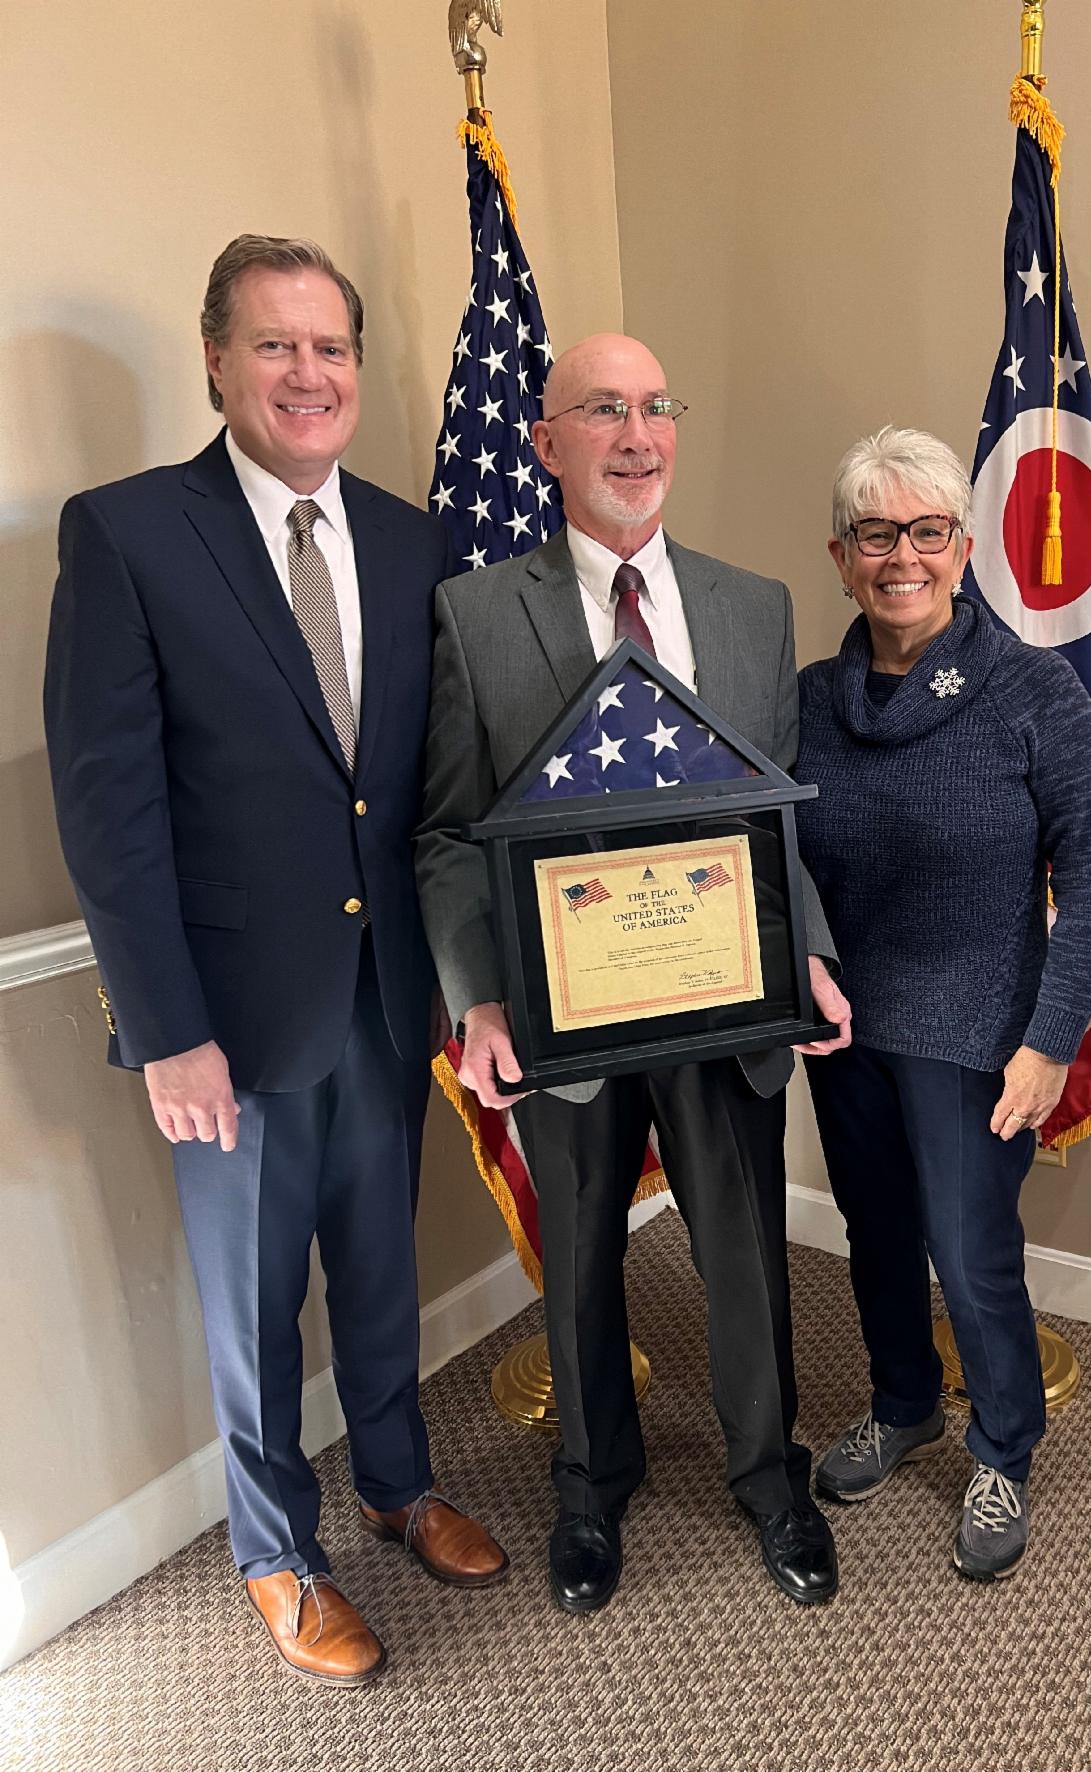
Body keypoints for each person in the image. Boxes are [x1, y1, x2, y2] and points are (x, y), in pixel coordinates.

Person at [44, 234, 507, 1686]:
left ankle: (396, 1481)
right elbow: (108, 812)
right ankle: (276, 1555)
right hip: (227, 1026)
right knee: (251, 1306)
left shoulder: (409, 534)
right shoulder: (125, 534)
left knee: (379, 1269)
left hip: (385, 1006)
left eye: (331, 350)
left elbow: (418, 789)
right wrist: (165, 1029)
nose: (309, 374)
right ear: (216, 361)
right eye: (277, 346)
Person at [416, 332, 852, 1615]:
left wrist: (811, 955)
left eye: (657, 405)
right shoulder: (472, 611)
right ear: (547, 442)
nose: (636, 434)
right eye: (602, 408)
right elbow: (444, 829)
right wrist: (478, 993)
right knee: (587, 1248)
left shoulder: (752, 605)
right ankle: (591, 1482)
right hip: (562, 1009)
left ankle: (771, 1477)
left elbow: (776, 825)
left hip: (724, 1002)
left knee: (743, 1249)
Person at [795, 425, 1091, 1581]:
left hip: (979, 1038)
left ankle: (1003, 1443)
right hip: (845, 1035)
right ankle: (903, 1404)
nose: (903, 556)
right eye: (877, 533)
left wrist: (1048, 1044)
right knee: (874, 1235)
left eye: (926, 531)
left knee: (975, 1255)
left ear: (964, 543)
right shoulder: (807, 701)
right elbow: (774, 860)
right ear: (842, 556)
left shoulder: (1037, 693)